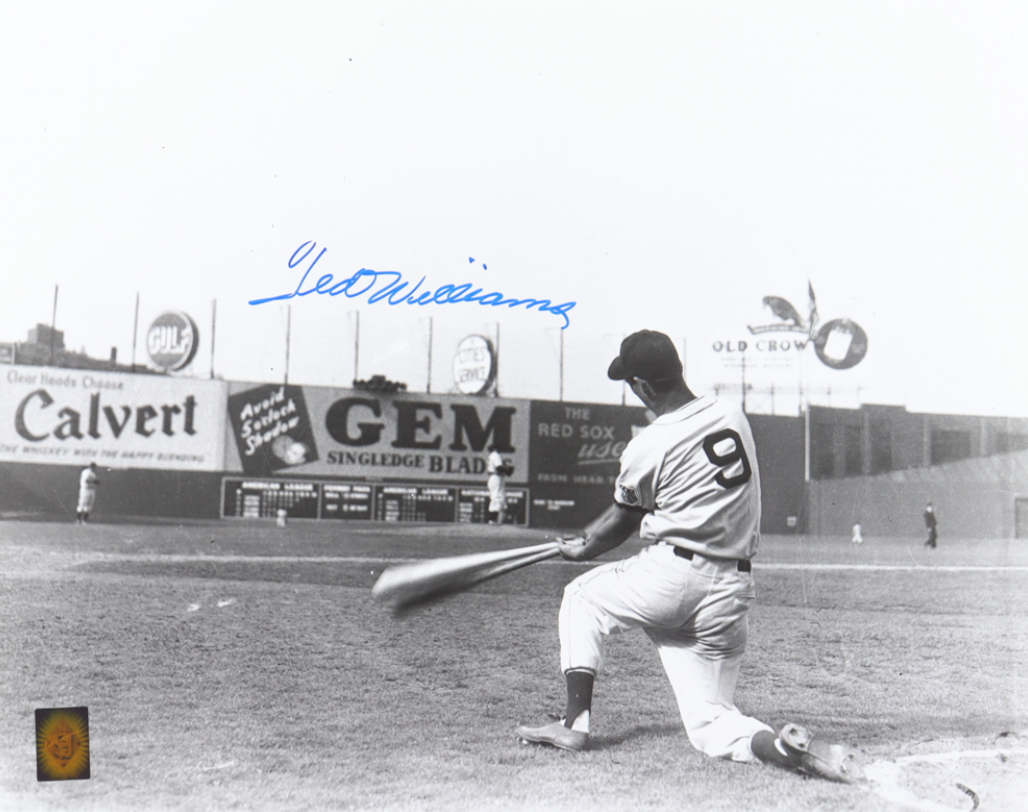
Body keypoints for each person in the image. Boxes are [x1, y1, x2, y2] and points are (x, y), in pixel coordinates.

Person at [515, 330, 863, 783]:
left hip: (673, 576)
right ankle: (780, 747)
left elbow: (621, 522)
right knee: (710, 724)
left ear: (642, 385)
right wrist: (590, 538)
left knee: (581, 597)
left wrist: (582, 548)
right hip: (731, 590)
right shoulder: (731, 413)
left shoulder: (647, 444)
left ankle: (573, 725)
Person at [485, 444, 511, 525]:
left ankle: (498, 520)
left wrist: (507, 469)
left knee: (499, 497)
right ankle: (492, 520)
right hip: (496, 477)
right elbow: (499, 467)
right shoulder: (495, 455)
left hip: (495, 477)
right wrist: (507, 469)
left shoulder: (492, 455)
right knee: (497, 497)